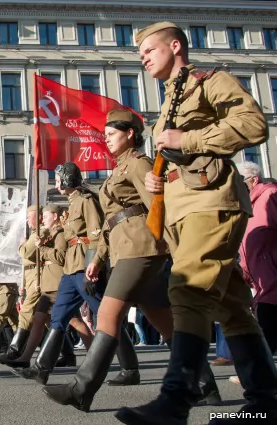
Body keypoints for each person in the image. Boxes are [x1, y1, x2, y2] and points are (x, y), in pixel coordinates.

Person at [115, 22, 277, 425]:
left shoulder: (210, 81)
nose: (144, 57)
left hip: (212, 202)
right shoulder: (168, 102)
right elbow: (173, 156)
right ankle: (265, 400)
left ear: (175, 46)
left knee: (185, 287)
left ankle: (176, 400)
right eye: (140, 54)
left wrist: (185, 141)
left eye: (149, 50)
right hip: (183, 209)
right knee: (233, 307)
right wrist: (157, 176)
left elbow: (254, 124)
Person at [42, 109, 220, 412]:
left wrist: (179, 252)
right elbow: (109, 224)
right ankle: (205, 386)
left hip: (142, 247)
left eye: (112, 134)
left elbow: (159, 207)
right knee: (164, 323)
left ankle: (81, 388)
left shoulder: (139, 164)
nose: (107, 139)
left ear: (129, 134)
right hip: (125, 248)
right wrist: (99, 256)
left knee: (108, 314)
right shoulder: (119, 168)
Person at [14, 162, 139, 386]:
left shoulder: (86, 201)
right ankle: (42, 369)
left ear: (68, 180)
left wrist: (95, 265)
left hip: (84, 265)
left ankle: (130, 368)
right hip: (70, 268)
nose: (57, 182)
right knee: (59, 316)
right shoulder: (72, 203)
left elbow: (96, 234)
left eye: (60, 178)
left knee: (107, 315)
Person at [0, 205, 41, 363]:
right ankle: (66, 354)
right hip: (32, 276)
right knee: (46, 318)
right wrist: (23, 283)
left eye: (28, 217)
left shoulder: (40, 233)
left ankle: (14, 352)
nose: (26, 221)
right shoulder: (34, 234)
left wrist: (22, 244)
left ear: (39, 217)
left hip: (39, 278)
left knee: (26, 313)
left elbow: (26, 253)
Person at [237, 161, 277, 355]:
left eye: (241, 182)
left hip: (272, 275)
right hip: (259, 277)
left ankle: (260, 374)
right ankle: (261, 373)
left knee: (265, 320)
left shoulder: (270, 195)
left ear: (254, 180)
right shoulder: (247, 206)